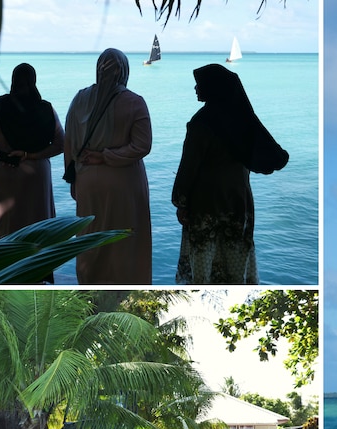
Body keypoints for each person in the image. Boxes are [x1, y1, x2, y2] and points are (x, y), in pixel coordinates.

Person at [172, 63, 289, 284]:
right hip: (238, 201)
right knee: (235, 257)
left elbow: (189, 167)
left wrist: (180, 201)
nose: (196, 89)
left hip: (205, 203)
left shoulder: (201, 123)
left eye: (200, 84)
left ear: (213, 88)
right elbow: (275, 157)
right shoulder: (244, 120)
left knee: (203, 261)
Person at [64, 48, 152, 284]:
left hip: (86, 180)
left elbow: (69, 141)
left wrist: (73, 179)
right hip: (123, 182)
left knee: (89, 238)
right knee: (125, 240)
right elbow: (142, 146)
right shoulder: (134, 102)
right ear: (124, 71)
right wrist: (107, 156)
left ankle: (90, 286)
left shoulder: (79, 98)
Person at [0, 63, 64, 244]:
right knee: (38, 222)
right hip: (37, 173)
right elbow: (61, 144)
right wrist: (30, 155)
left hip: (6, 169)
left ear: (13, 81)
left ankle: (8, 266)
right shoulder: (46, 109)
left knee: (7, 225)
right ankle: (39, 268)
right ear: (34, 81)